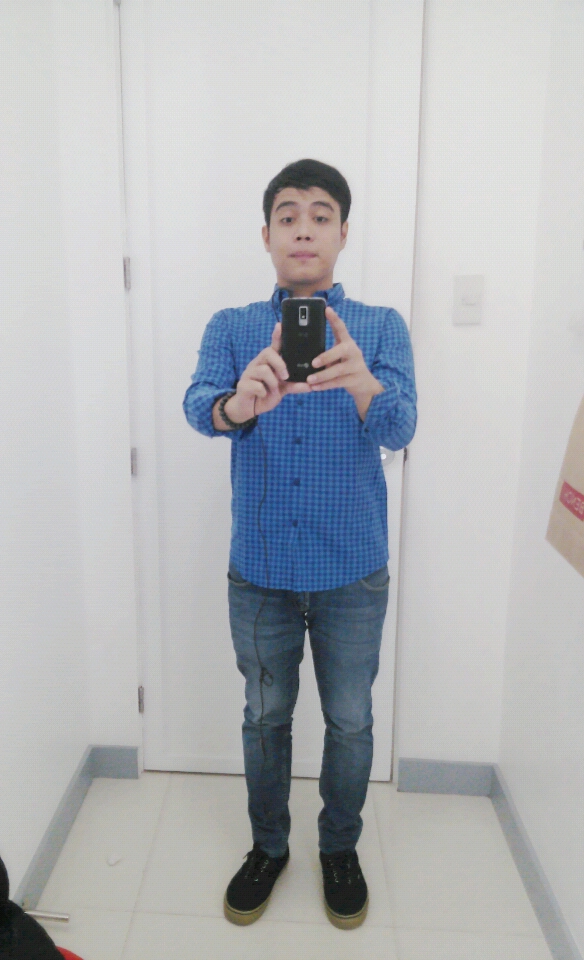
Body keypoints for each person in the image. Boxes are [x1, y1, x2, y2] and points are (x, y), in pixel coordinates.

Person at [182, 158, 417, 930]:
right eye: (288, 216)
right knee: (265, 717)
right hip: (261, 571)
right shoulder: (232, 327)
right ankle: (269, 847)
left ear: (343, 233)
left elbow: (401, 428)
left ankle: (339, 849)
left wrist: (363, 383)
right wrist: (238, 404)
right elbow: (197, 405)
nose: (304, 229)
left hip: (353, 569)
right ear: (267, 235)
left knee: (350, 721)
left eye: (321, 215)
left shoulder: (380, 328)